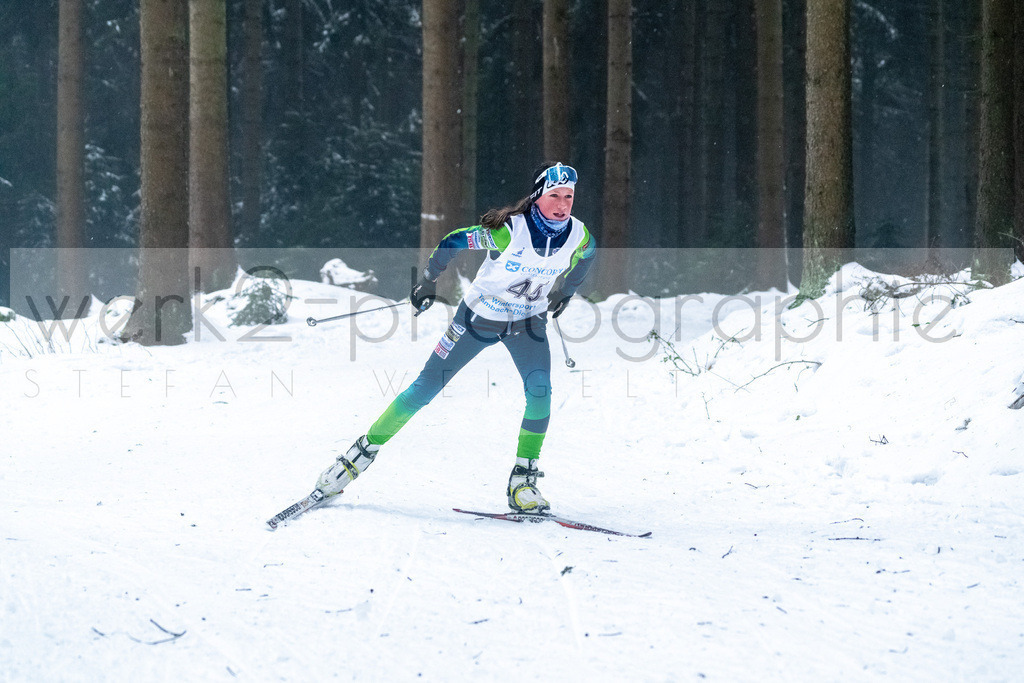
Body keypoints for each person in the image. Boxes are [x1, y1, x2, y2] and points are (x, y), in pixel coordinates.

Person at [316, 161, 597, 512]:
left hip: (528, 323)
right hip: (478, 320)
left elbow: (588, 255)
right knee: (424, 389)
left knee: (540, 393)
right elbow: (453, 241)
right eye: (555, 195)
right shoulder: (509, 231)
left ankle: (523, 481)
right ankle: (355, 458)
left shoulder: (577, 234)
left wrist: (566, 291)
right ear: (538, 195)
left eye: (569, 196)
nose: (563, 204)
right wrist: (429, 280)